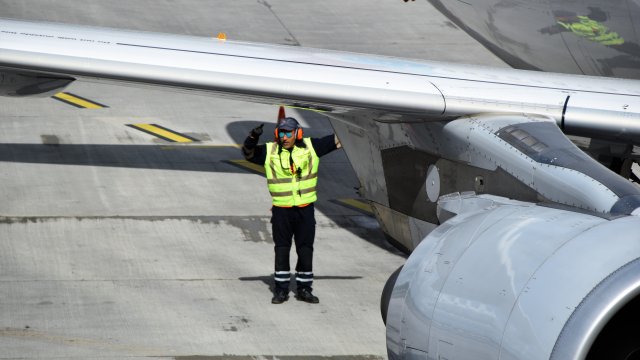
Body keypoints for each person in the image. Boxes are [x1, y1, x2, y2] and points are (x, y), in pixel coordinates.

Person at [242, 116, 341, 304]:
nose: (285, 137)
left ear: (298, 133)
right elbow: (248, 153)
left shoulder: (312, 147)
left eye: (288, 133)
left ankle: (304, 289)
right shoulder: (270, 151)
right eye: (281, 133)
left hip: (305, 210)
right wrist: (253, 137)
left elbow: (340, 139)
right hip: (282, 211)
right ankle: (281, 290)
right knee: (282, 249)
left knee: (305, 249)